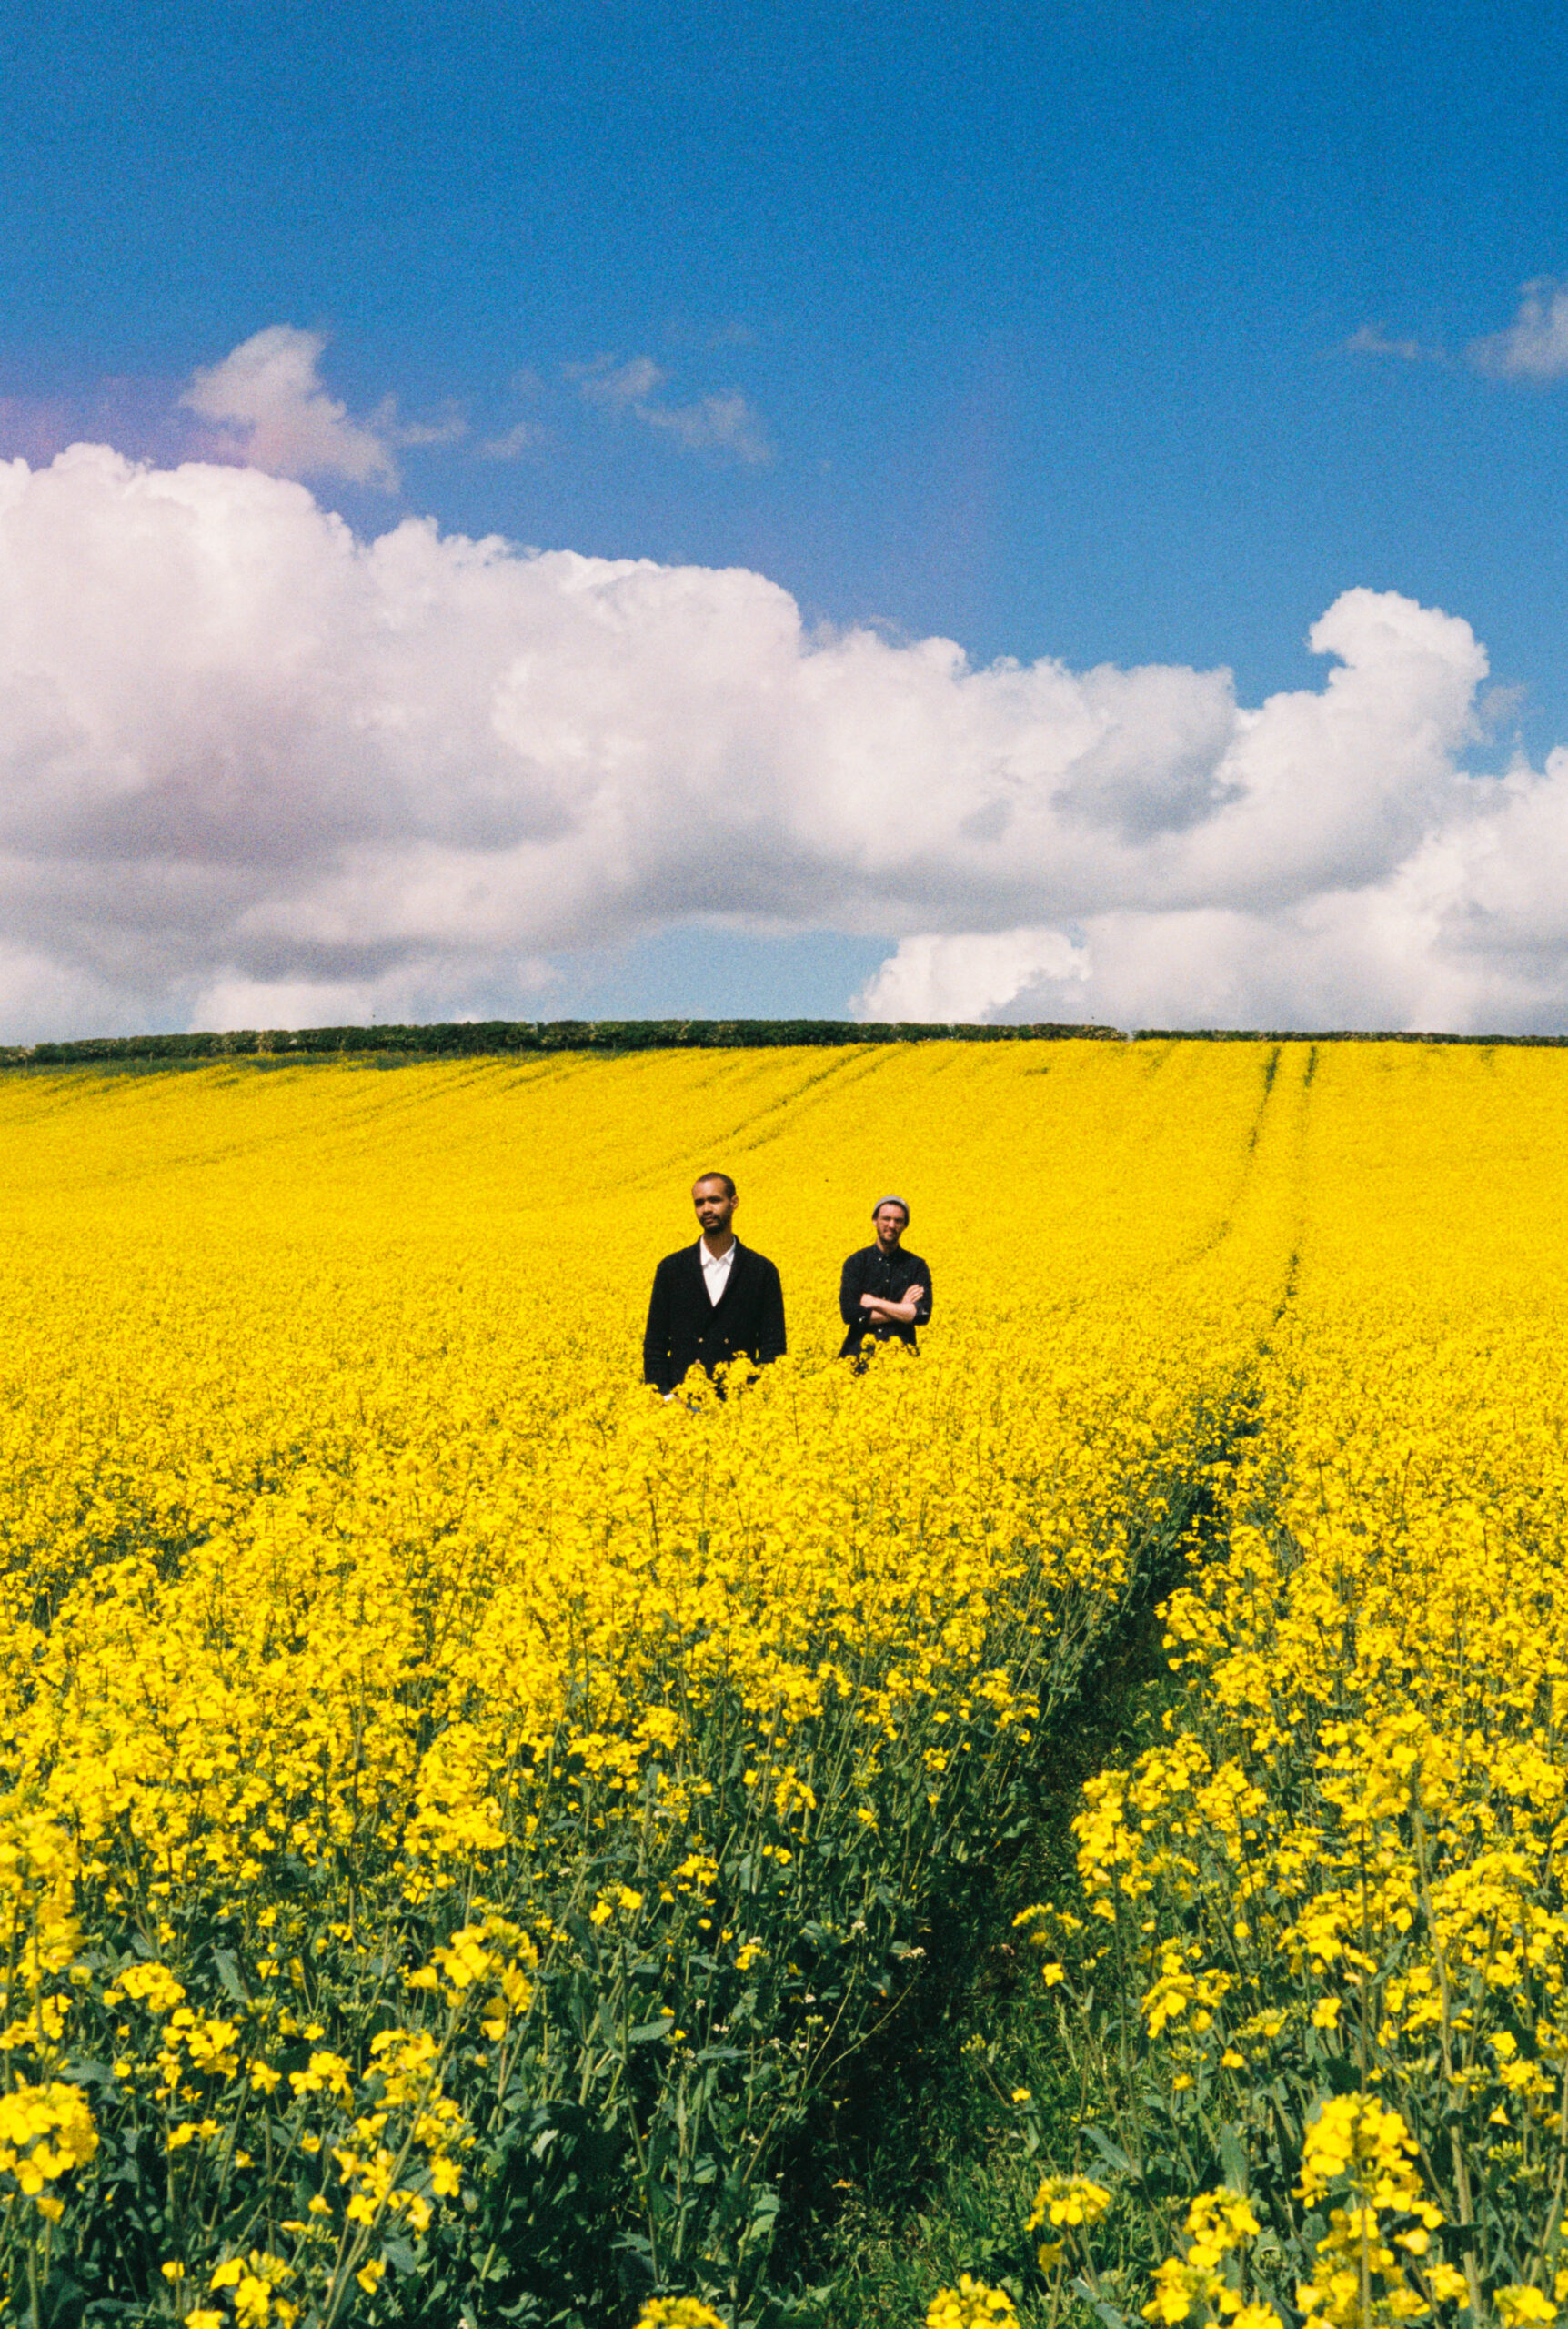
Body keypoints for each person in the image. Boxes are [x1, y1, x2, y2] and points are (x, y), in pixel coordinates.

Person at [643, 1172, 788, 1396]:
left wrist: (757, 1397)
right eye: (699, 1203)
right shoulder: (671, 1269)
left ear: (734, 1202)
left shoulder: (761, 1271)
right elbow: (655, 1344)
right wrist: (666, 1397)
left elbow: (773, 1346)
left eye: (714, 1200)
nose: (706, 1209)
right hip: (681, 1406)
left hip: (741, 1404)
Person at [839, 1195, 933, 1361]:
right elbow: (851, 1314)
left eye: (898, 1221)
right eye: (886, 1219)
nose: (891, 1225)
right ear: (875, 1220)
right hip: (857, 1359)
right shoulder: (856, 1263)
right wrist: (902, 1309)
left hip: (902, 1361)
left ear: (905, 1226)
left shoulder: (916, 1266)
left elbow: (921, 1315)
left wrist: (875, 1303)